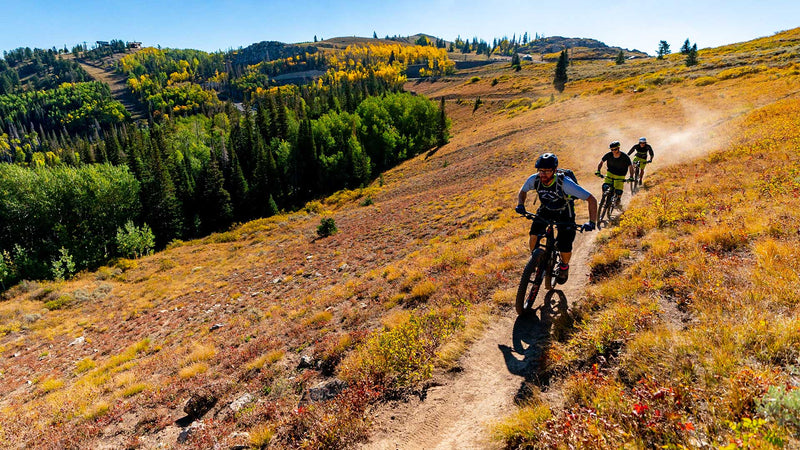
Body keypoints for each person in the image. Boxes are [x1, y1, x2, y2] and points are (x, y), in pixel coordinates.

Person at [515, 153, 598, 284]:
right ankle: (534, 261)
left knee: (565, 245)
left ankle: (564, 266)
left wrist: (592, 222)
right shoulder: (534, 179)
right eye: (540, 171)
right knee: (534, 235)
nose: (543, 174)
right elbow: (523, 190)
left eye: (547, 171)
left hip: (565, 211)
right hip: (546, 209)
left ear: (554, 170)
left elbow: (591, 199)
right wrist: (520, 204)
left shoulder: (565, 183)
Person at [596, 141, 634, 207]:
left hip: (620, 176)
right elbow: (601, 162)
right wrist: (598, 171)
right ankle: (603, 199)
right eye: (612, 149)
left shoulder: (625, 157)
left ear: (618, 148)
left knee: (619, 191)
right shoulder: (608, 155)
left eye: (615, 149)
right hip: (610, 174)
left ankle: (618, 200)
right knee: (604, 187)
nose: (613, 151)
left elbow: (630, 167)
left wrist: (631, 177)